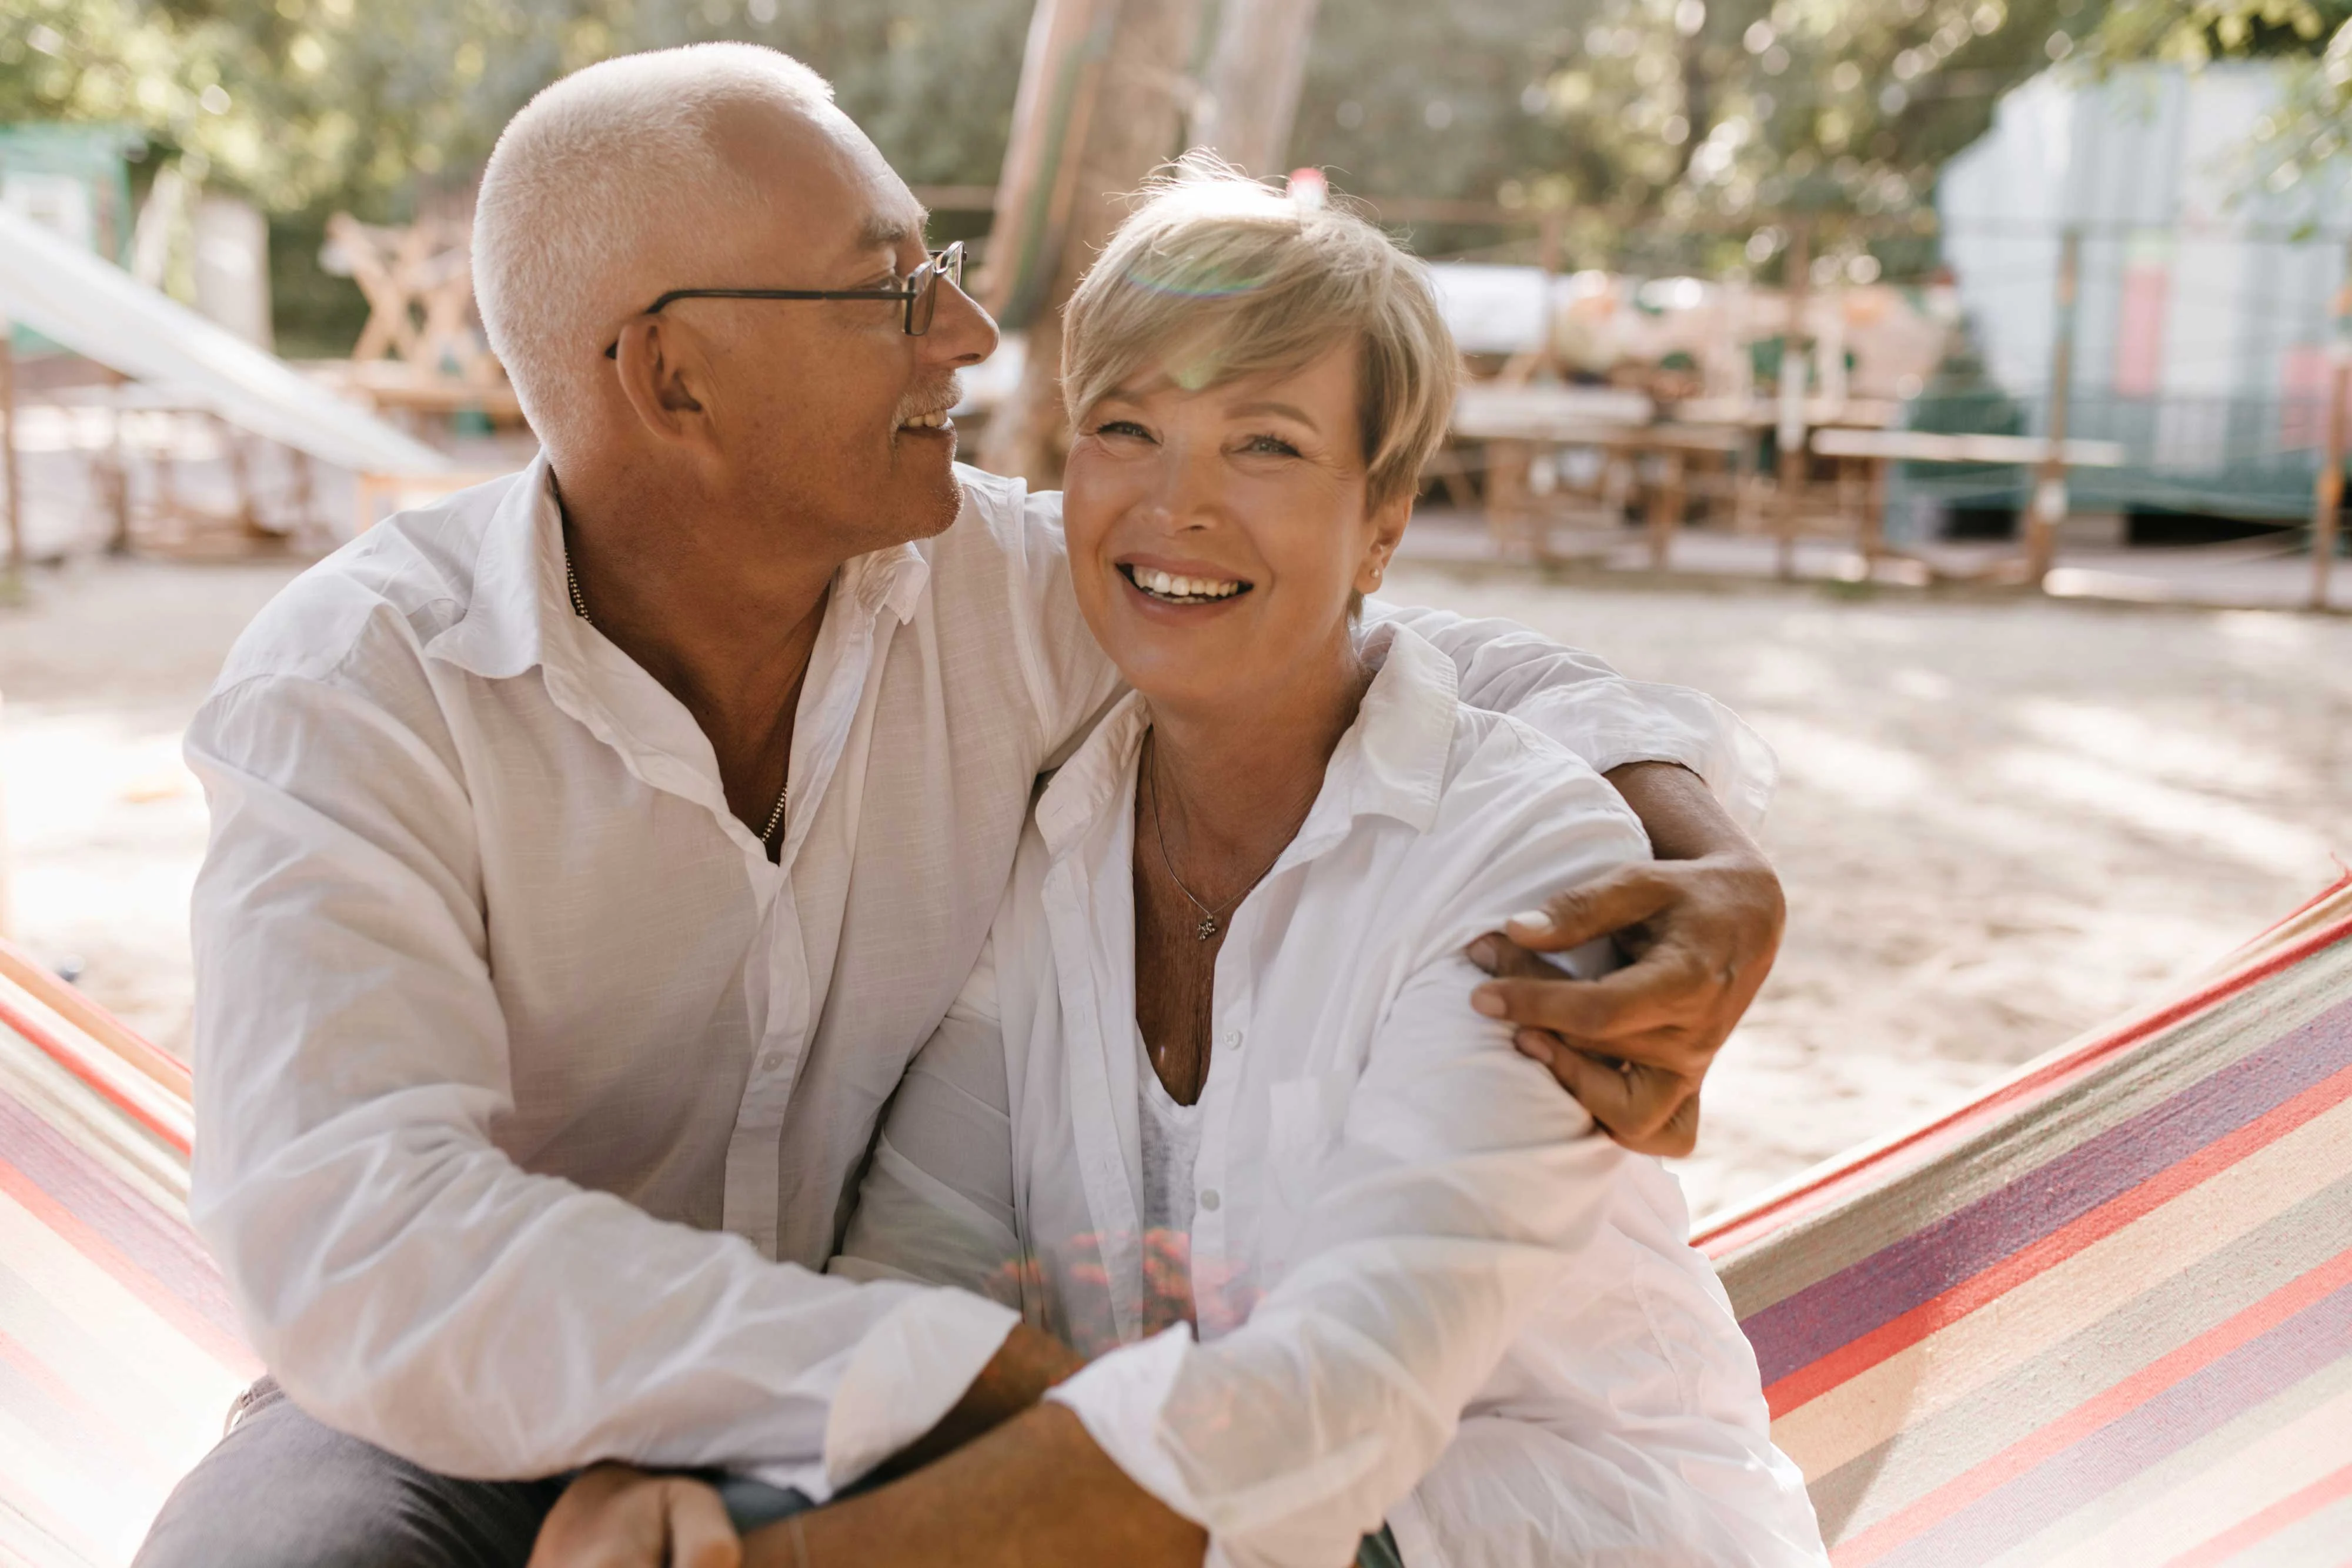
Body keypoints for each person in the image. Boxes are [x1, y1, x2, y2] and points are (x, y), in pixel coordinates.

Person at [136, 45, 1786, 1568]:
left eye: (936, 273)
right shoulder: (362, 693)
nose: (967, 335)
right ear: (675, 379)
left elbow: (1351, 641)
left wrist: (1695, 840)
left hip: (975, 1414)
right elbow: (359, 1242)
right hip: (495, 1384)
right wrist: (924, 1386)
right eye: (888, 286)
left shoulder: (995, 592)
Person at [530, 161, 1822, 1568]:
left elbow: (1337, 1409)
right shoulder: (1046, 842)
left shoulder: (1529, 861)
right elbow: (926, 1266)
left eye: (1263, 445)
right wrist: (731, 1492)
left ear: (1382, 523)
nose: (1174, 503)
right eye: (1125, 427)